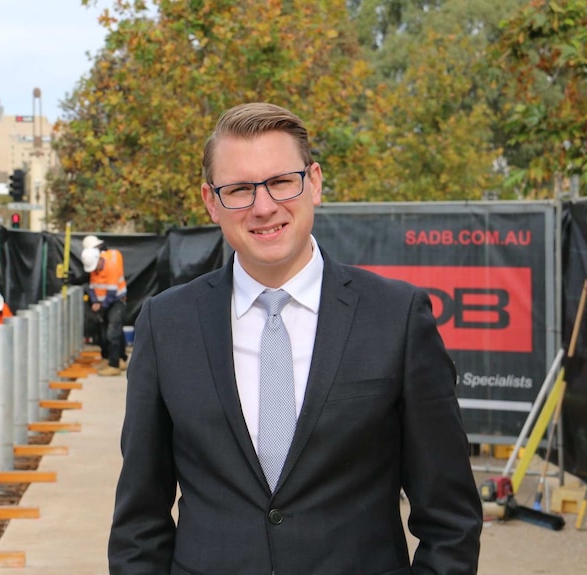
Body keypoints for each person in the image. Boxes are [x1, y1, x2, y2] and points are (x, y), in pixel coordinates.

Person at [108, 103, 482, 574]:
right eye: (239, 189)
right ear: (211, 201)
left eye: (281, 181)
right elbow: (139, 523)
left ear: (315, 182)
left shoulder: (397, 318)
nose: (263, 207)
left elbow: (451, 521)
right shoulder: (166, 324)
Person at [81, 236, 128, 376]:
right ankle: (108, 358)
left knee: (113, 332)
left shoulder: (111, 266)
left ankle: (115, 364)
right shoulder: (95, 268)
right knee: (102, 332)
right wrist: (95, 301)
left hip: (116, 301)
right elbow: (92, 287)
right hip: (103, 303)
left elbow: (112, 293)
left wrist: (101, 307)